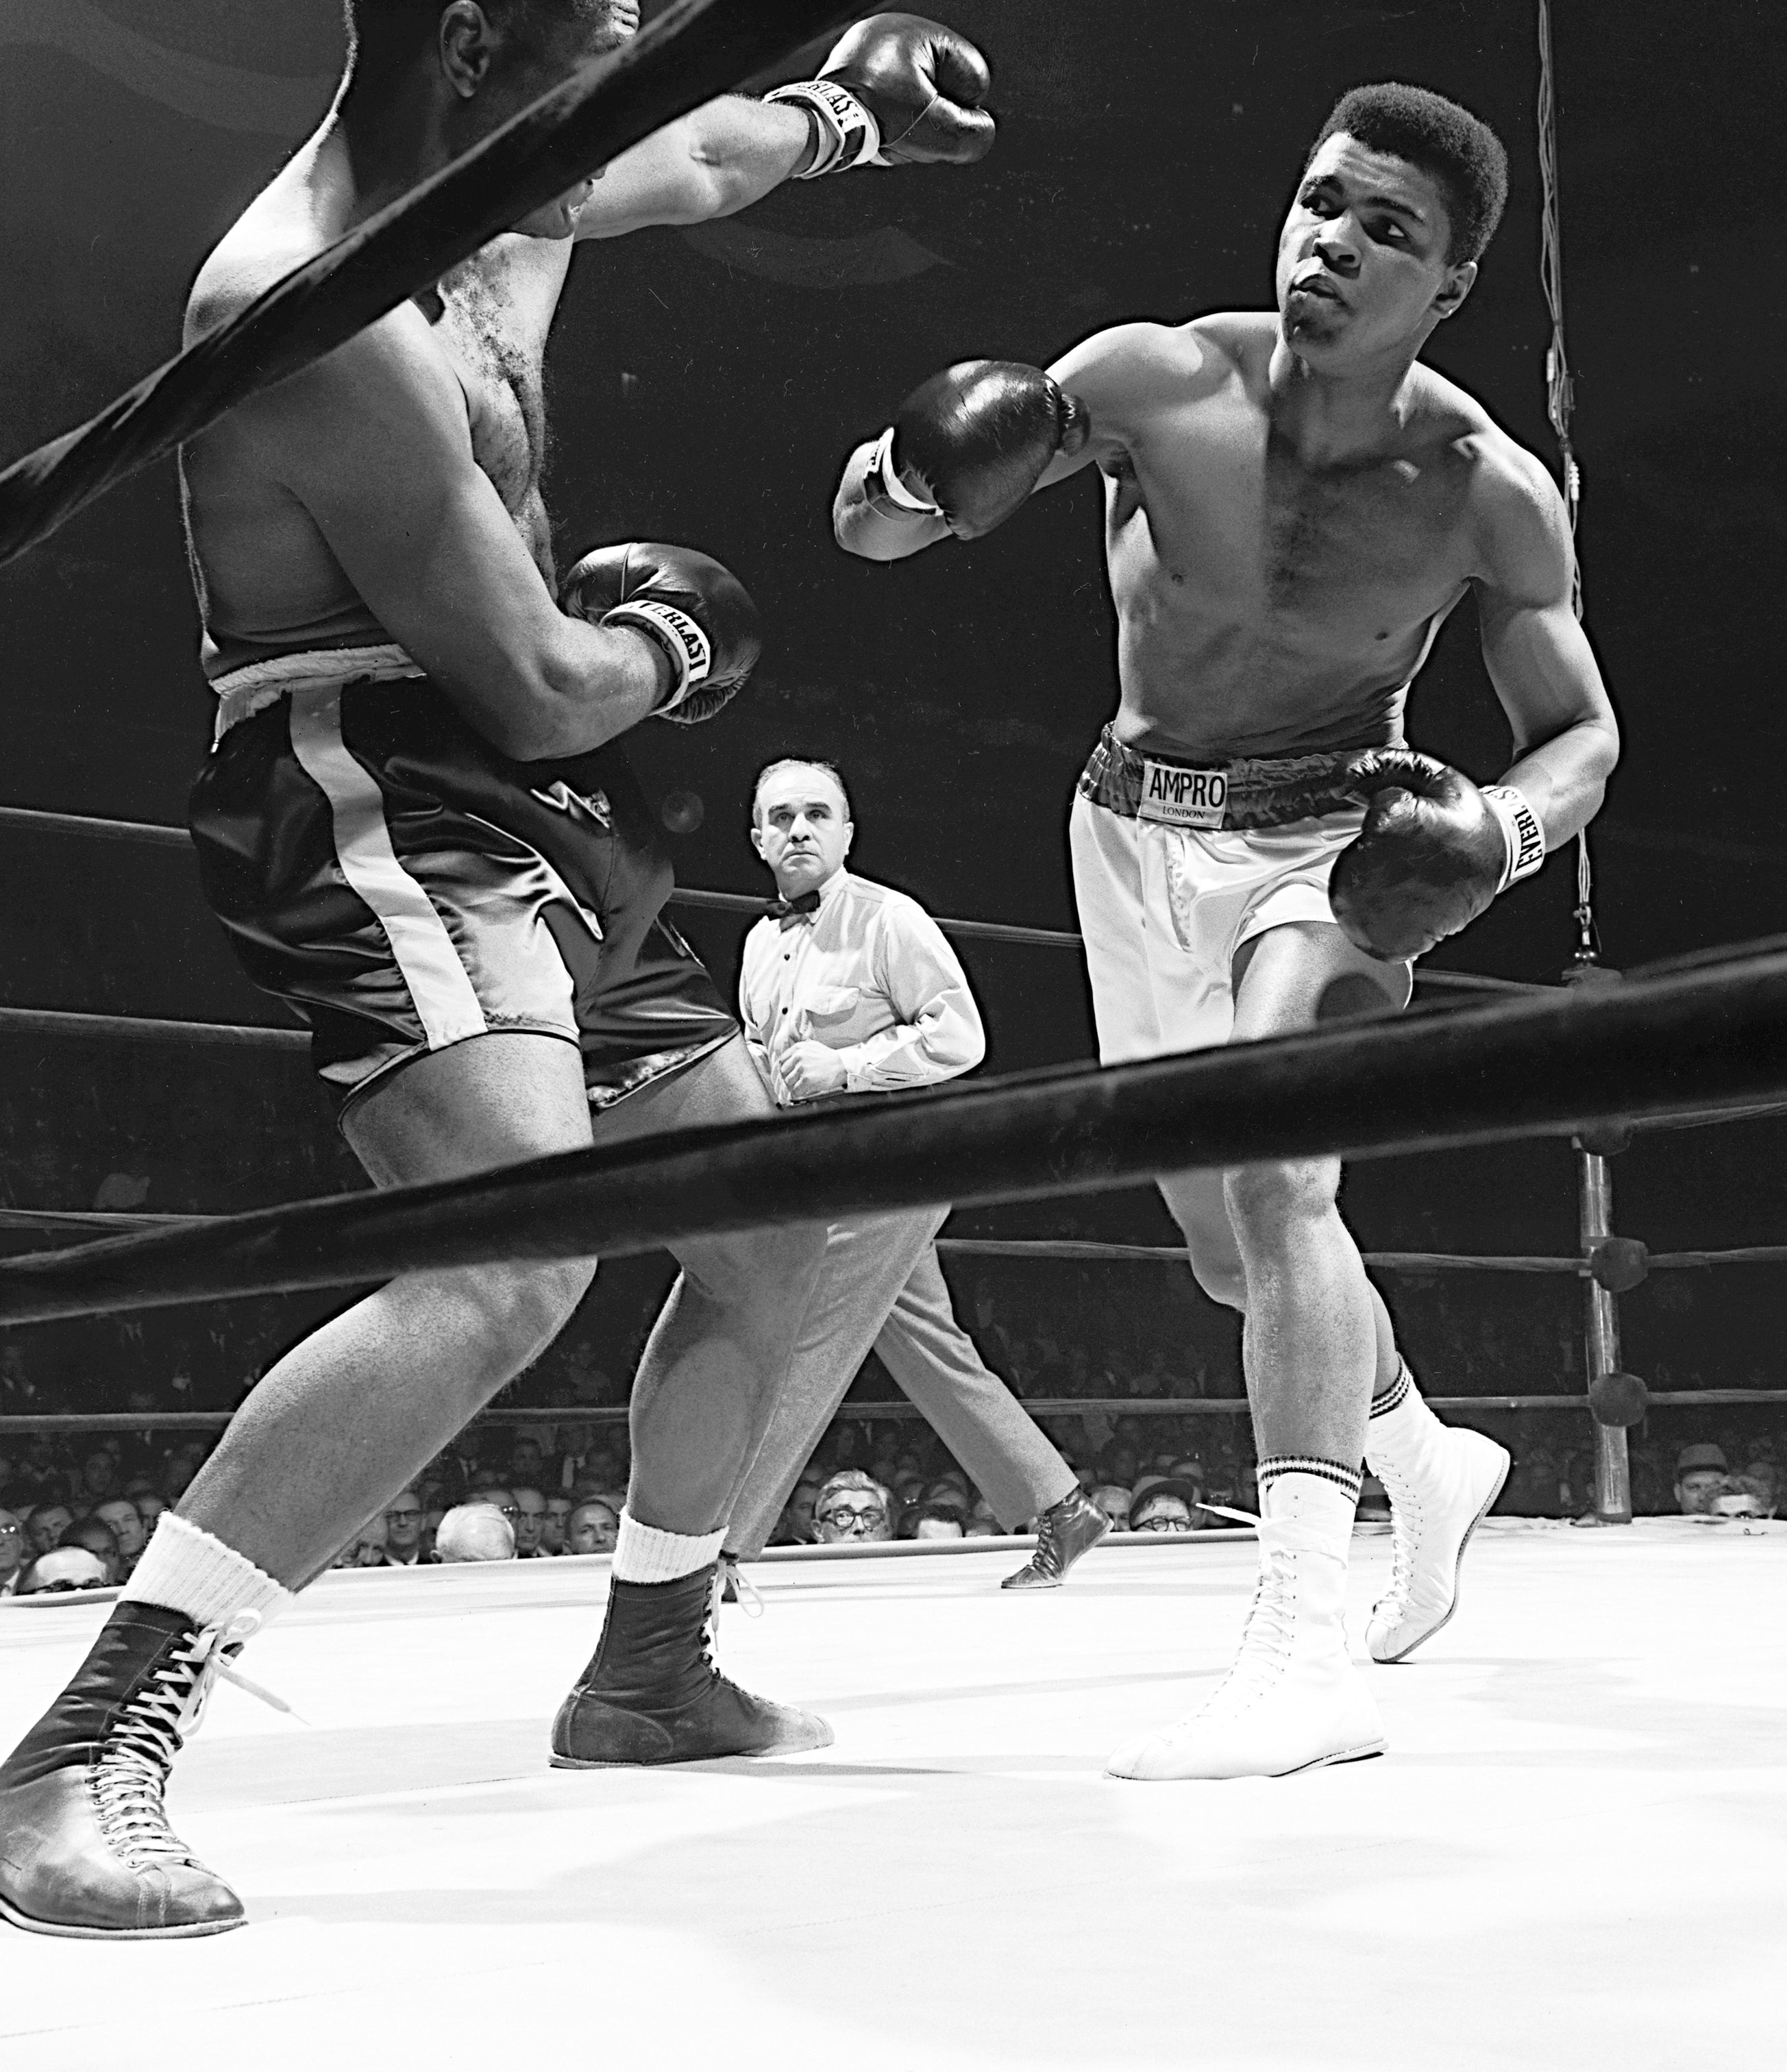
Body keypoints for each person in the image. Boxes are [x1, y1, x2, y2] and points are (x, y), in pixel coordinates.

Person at [0, 2, 996, 1940]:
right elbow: (531, 670)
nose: (636, 54)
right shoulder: (308, 300)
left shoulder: (519, 168)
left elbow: (695, 158)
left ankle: (647, 1665)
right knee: (510, 1257)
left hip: (549, 805)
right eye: (609, 22)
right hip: (384, 774)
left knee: (773, 1226)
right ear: (467, 39)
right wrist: (686, 654)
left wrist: (840, 120)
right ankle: (80, 1748)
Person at [835, 83, 1618, 1777]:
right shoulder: (1148, 377)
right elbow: (870, 527)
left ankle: (1302, 1643)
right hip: (1126, 835)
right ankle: (1415, 1456)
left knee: (1276, 1180)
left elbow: (1581, 738)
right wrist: (909, 470)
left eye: (1385, 231)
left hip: (1332, 839)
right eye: (1320, 203)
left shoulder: (1483, 486)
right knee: (1218, 1247)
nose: (1330, 242)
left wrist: (1494, 826)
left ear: (1448, 284)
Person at [721, 760, 1110, 1589]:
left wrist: (848, 1066)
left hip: (889, 1152)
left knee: (808, 1338)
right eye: (781, 817)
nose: (799, 830)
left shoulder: (888, 919)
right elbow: (764, 1058)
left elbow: (959, 1036)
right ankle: (1059, 1505)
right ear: (757, 839)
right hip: (810, 1161)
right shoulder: (760, 941)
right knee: (927, 1340)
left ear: (846, 834)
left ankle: (719, 1551)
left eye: (817, 814)